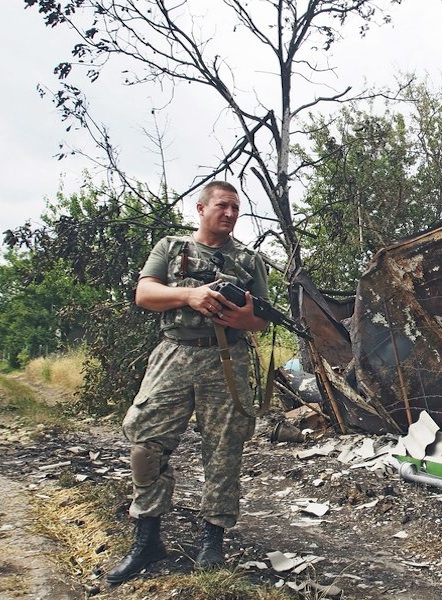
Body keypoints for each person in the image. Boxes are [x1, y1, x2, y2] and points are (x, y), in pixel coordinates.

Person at [107, 181, 269, 584]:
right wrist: (190, 296)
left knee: (224, 449)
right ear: (201, 208)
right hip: (174, 354)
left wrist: (240, 320)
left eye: (236, 208)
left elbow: (262, 320)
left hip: (226, 360)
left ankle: (212, 542)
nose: (229, 214)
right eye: (222, 206)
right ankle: (147, 539)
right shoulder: (171, 247)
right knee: (145, 443)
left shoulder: (249, 261)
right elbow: (145, 293)